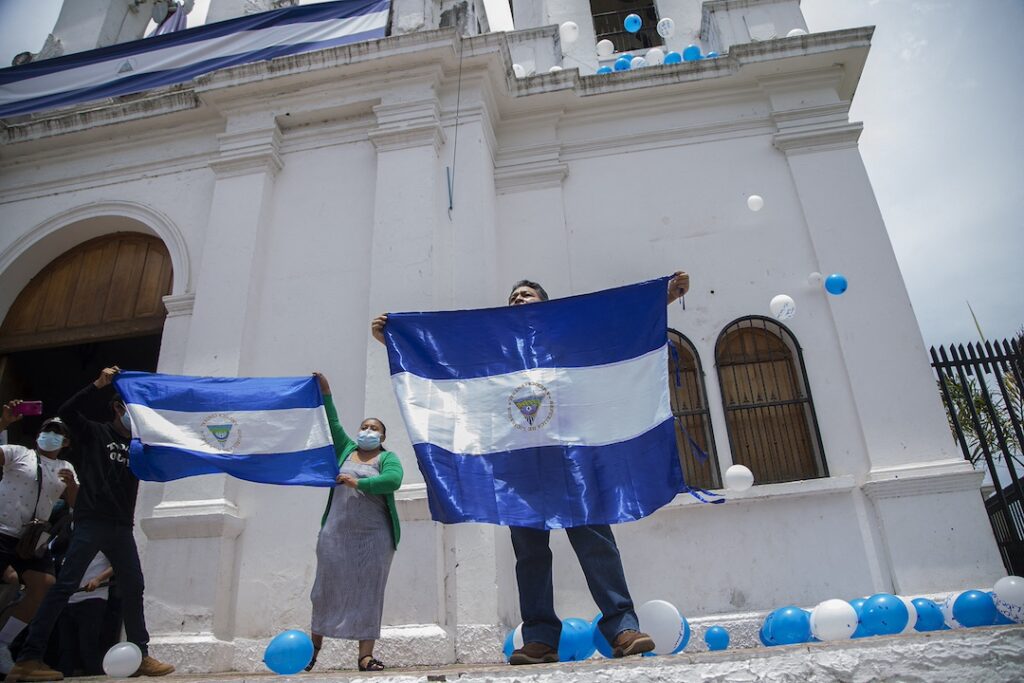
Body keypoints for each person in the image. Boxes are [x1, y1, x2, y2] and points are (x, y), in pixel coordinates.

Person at [370, 272, 690, 665]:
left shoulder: (565, 335)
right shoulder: (495, 345)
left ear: (546, 303)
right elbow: (447, 358)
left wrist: (662, 299)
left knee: (595, 542)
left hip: (571, 458)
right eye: (514, 295)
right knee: (530, 554)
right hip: (518, 467)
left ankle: (622, 627)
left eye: (528, 293)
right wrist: (398, 340)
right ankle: (539, 639)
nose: (519, 298)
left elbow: (611, 328)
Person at [5, 368, 175, 682]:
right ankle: (29, 657)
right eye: (130, 409)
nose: (134, 417)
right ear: (117, 409)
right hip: (91, 522)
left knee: (134, 586)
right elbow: (67, 412)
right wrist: (97, 385)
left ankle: (141, 653)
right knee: (64, 587)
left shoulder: (140, 447)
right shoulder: (95, 433)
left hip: (121, 527)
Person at [306, 372, 403, 672]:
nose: (368, 431)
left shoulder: (388, 458)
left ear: (382, 437)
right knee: (324, 590)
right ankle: (312, 653)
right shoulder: (347, 449)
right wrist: (326, 391)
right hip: (336, 534)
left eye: (374, 428)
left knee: (368, 592)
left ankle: (365, 656)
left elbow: (393, 481)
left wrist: (357, 484)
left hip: (373, 537)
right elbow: (332, 423)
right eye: (364, 427)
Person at [0, 407, 77, 676]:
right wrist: (3, 423)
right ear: (38, 436)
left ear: (65, 443)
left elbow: (75, 505)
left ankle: (3, 643)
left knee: (44, 585)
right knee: (9, 582)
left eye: (58, 433)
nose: (51, 435)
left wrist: (73, 487)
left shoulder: (66, 467)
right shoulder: (18, 453)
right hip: (2, 530)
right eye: (47, 431)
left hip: (31, 540)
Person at [57, 551, 113, 677]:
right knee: (66, 646)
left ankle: (94, 675)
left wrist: (98, 579)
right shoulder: (73, 542)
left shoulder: (106, 540)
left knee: (88, 645)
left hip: (94, 598)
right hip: (69, 599)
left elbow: (117, 564)